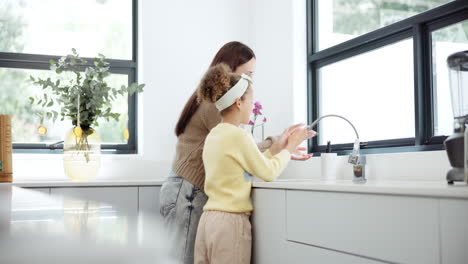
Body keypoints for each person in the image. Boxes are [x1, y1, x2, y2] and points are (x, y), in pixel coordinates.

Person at [159, 41, 313, 264]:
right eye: (248, 73)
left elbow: (239, 154)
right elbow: (250, 157)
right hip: (191, 194)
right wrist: (283, 147)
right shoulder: (218, 112)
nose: (251, 79)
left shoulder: (217, 126)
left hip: (199, 205)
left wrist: (278, 147)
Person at [193, 64, 314, 264]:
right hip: (230, 224)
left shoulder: (215, 135)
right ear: (239, 102)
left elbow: (244, 169)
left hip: (208, 221)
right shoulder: (240, 136)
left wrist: (279, 149)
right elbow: (267, 173)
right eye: (251, 100)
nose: (252, 104)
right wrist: (290, 147)